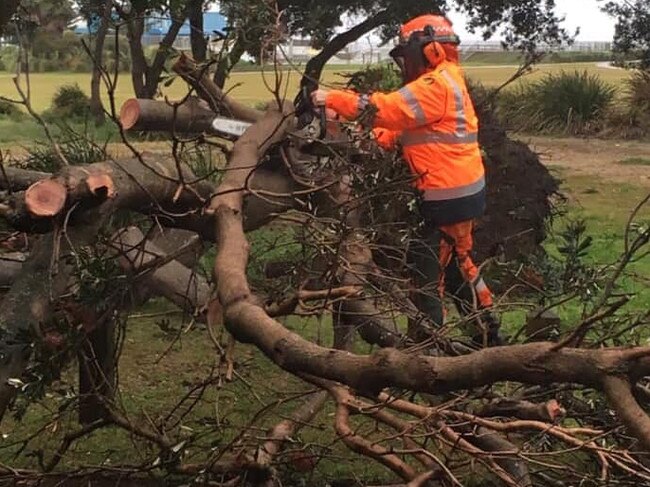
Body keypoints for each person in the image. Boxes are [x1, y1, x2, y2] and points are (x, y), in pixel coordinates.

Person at [311, 13, 503, 346]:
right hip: (461, 192)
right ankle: (488, 330)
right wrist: (372, 139)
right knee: (460, 262)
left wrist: (333, 99)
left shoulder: (436, 84)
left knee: (426, 271)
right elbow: (404, 129)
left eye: (407, 55)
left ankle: (430, 347)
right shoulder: (448, 82)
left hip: (446, 197)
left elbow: (388, 109)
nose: (406, 64)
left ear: (429, 51)